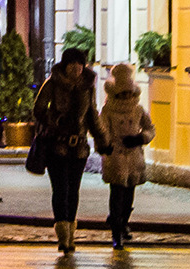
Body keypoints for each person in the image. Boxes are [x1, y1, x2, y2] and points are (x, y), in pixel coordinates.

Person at [32, 47, 110, 253]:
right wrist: (55, 120)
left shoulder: (87, 87)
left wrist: (103, 140)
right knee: (60, 189)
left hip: (79, 148)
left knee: (73, 190)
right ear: (65, 65)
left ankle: (70, 235)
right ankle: (62, 236)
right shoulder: (53, 84)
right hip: (56, 146)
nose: (76, 68)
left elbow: (92, 114)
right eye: (72, 64)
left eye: (80, 64)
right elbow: (38, 109)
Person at [98, 63, 155, 250]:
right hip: (116, 156)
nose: (127, 97)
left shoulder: (138, 110)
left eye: (130, 93)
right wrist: (105, 146)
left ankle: (123, 222)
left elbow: (150, 129)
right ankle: (116, 229)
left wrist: (141, 138)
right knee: (117, 193)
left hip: (134, 157)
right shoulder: (107, 110)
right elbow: (102, 131)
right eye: (123, 93)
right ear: (116, 93)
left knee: (129, 193)